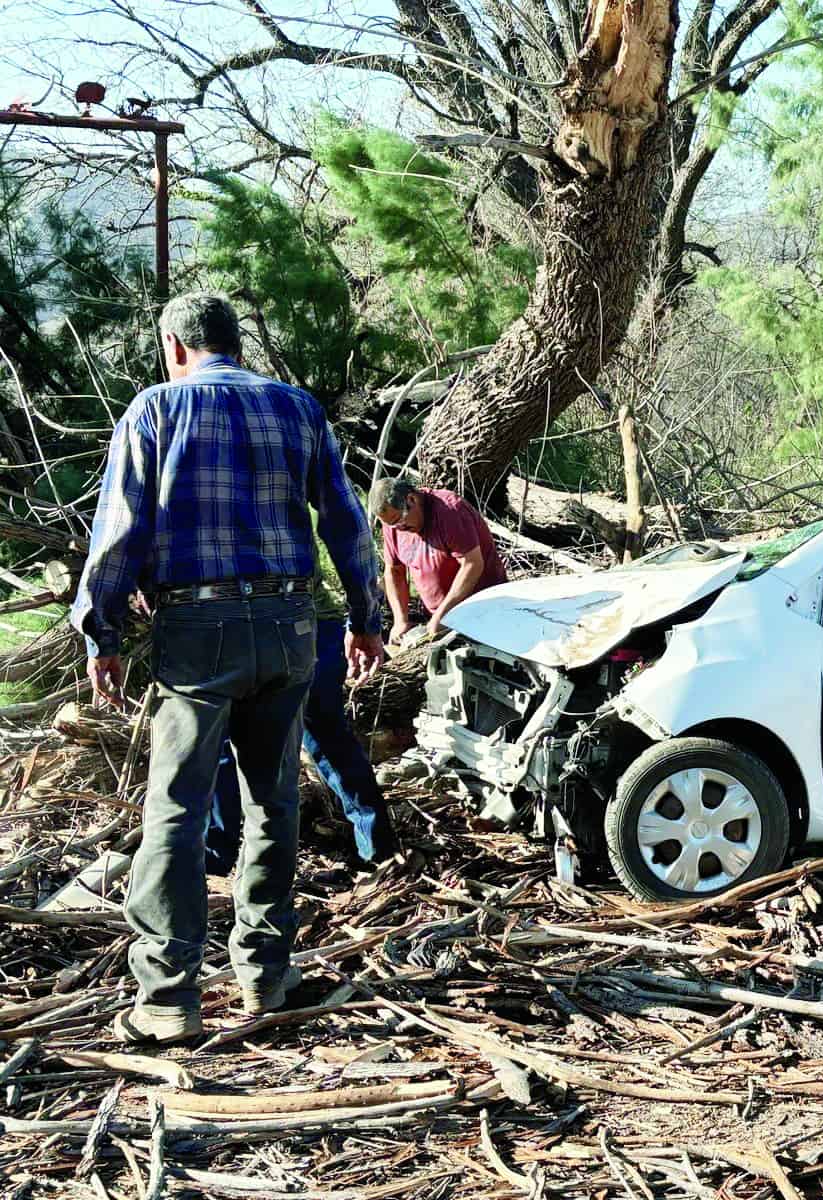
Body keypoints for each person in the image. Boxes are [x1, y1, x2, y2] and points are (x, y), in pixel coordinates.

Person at [72, 293, 385, 1045]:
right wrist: (369, 618)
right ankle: (266, 975)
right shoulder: (297, 409)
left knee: (176, 807)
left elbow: (119, 533)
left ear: (176, 346)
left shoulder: (156, 409)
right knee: (273, 801)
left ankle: (169, 994)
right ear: (234, 345)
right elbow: (345, 522)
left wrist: (101, 630)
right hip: (289, 626)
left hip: (200, 626)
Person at [205, 533, 399, 877]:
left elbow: (348, 544)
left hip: (306, 629)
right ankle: (215, 858)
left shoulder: (275, 506)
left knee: (324, 735)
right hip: (252, 632)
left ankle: (378, 850)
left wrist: (364, 622)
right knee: (223, 739)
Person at [370, 475, 507, 640]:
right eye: (391, 524)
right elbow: (394, 571)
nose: (399, 529)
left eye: (400, 520)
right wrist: (400, 620)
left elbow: (472, 564)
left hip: (485, 610)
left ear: (412, 499)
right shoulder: (393, 524)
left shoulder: (450, 511)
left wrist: (443, 615)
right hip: (438, 617)